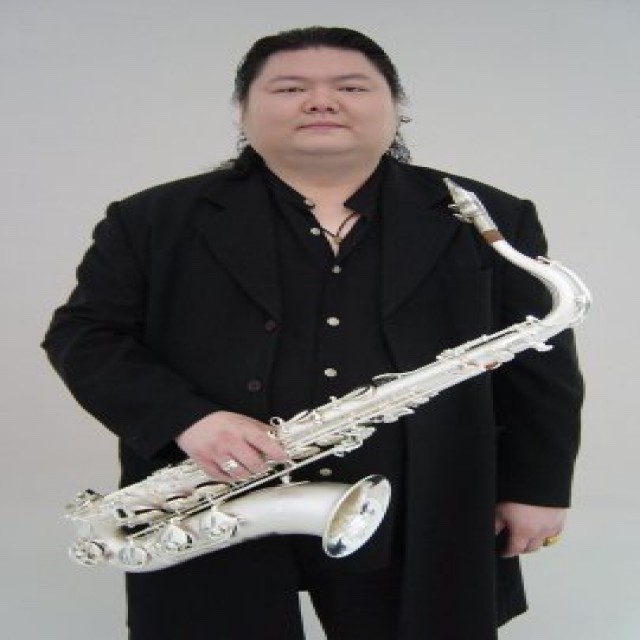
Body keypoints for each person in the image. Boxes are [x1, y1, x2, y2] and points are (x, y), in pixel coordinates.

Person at [42, 26, 584, 640]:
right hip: (216, 495)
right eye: (289, 88)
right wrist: (188, 420)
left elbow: (542, 360)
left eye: (351, 87)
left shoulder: (490, 215)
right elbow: (86, 335)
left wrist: (537, 486)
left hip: (425, 502)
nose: (321, 101)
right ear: (242, 110)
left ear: (397, 106)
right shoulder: (151, 218)